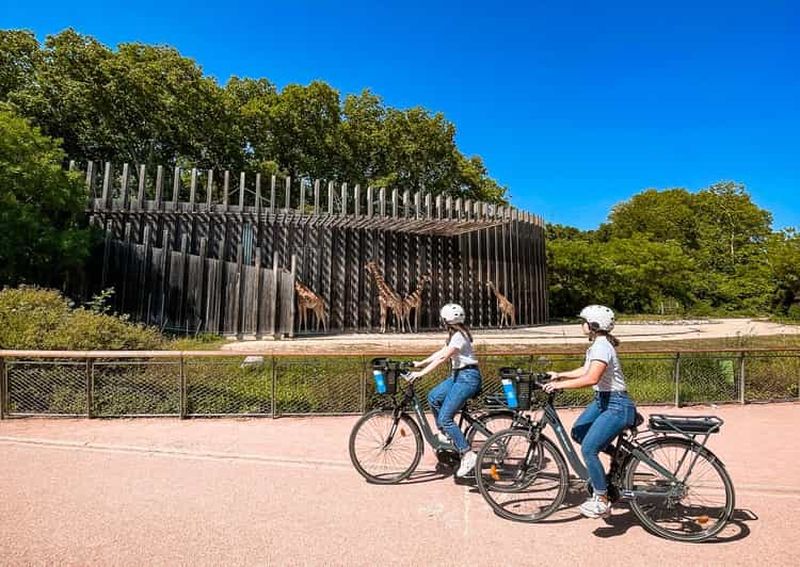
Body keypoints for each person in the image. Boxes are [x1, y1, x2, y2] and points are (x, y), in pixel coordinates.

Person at [542, 304, 637, 519]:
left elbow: (591, 378)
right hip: (603, 400)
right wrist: (561, 375)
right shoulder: (598, 345)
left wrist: (559, 386)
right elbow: (586, 369)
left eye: (583, 321)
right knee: (578, 432)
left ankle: (601, 499)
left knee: (588, 449)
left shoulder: (602, 346)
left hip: (616, 404)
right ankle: (618, 455)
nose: (581, 324)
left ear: (593, 325)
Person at [408, 303, 482, 477]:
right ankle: (445, 434)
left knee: (446, 417)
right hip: (459, 376)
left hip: (467, 378)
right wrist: (420, 363)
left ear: (446, 320)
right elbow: (441, 352)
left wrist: (420, 374)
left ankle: (467, 454)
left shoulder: (459, 336)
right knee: (434, 397)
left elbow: (443, 358)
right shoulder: (456, 334)